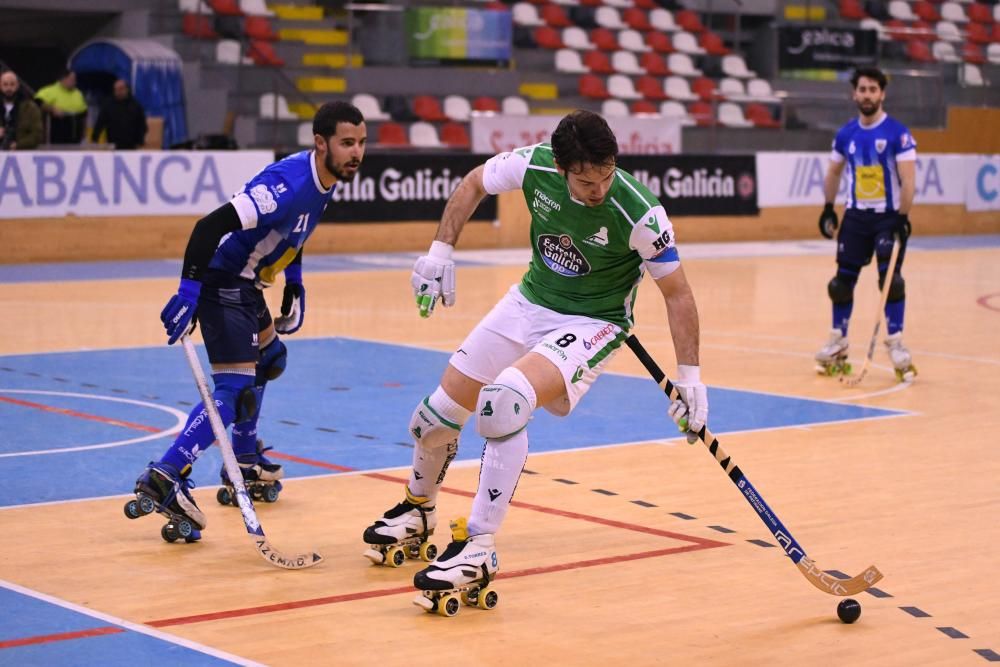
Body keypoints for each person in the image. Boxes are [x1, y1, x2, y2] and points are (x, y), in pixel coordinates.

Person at [362, 110, 708, 607]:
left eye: (607, 175)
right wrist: (440, 251)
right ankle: (418, 511)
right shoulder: (534, 166)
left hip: (592, 322)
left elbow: (677, 293)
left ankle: (478, 546)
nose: (599, 190)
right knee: (432, 419)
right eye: (587, 181)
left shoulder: (640, 213)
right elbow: (473, 182)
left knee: (503, 402)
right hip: (528, 302)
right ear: (562, 168)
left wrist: (690, 379)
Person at [125, 101, 367, 542]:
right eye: (347, 143)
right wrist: (189, 292)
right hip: (224, 282)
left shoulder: (324, 178)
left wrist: (293, 279)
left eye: (362, 143)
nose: (357, 152)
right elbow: (207, 227)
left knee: (270, 358)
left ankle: (243, 457)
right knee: (233, 391)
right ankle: (166, 473)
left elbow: (296, 230)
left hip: (247, 283)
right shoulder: (287, 184)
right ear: (321, 143)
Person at [815, 67, 917, 382]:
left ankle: (896, 344)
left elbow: (908, 177)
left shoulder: (897, 133)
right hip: (856, 218)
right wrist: (828, 208)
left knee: (891, 282)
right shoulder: (846, 134)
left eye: (873, 89)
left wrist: (902, 216)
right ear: (854, 94)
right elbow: (833, 172)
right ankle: (838, 340)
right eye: (862, 89)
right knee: (840, 284)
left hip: (887, 218)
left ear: (882, 94)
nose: (868, 95)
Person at [34, 69, 88, 144]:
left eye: (75, 79)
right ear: (63, 79)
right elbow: (37, 101)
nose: (75, 82)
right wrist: (51, 109)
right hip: (57, 131)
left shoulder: (78, 93)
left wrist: (84, 134)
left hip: (75, 133)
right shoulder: (50, 91)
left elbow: (84, 113)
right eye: (72, 79)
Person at [92, 79, 147, 150]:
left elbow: (142, 125)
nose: (118, 92)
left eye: (121, 89)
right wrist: (94, 139)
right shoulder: (108, 105)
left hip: (131, 147)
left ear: (126, 89)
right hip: (113, 146)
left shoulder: (136, 106)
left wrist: (140, 142)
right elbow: (100, 122)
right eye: (116, 89)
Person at [0, 70, 42, 151]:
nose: (9, 88)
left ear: (17, 86)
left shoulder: (30, 108)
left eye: (12, 84)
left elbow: (37, 135)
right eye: (5, 84)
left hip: (22, 155)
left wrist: (18, 145)